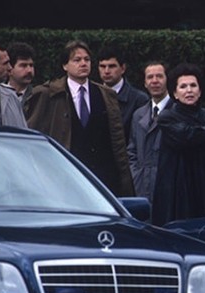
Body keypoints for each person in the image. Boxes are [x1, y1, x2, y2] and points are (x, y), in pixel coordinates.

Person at [25, 40, 134, 196]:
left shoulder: (106, 94)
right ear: (65, 66)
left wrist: (124, 180)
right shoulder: (48, 94)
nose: (83, 63)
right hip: (65, 178)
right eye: (77, 60)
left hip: (103, 178)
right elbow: (33, 136)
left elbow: (117, 142)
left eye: (87, 59)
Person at [151, 63, 205, 226]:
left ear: (200, 91)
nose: (189, 90)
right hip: (179, 189)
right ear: (175, 93)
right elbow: (187, 136)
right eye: (183, 86)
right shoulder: (167, 117)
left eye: (193, 86)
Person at [127, 61, 173, 203]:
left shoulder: (176, 112)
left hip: (170, 187)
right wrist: (136, 175)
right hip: (143, 187)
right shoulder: (138, 115)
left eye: (159, 76)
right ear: (145, 83)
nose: (154, 81)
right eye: (150, 77)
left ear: (167, 80)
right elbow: (132, 151)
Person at [98, 45, 149, 141]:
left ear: (123, 68)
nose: (106, 71)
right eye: (102, 66)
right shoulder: (92, 95)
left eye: (112, 66)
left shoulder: (139, 99)